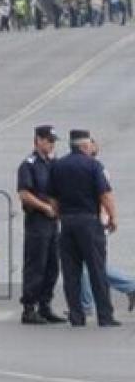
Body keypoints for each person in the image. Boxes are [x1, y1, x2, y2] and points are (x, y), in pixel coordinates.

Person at [48, 129, 121, 327]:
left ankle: (76, 316)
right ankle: (105, 316)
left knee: (71, 273)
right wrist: (113, 217)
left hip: (67, 223)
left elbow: (53, 199)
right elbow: (104, 194)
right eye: (89, 145)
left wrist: (61, 214)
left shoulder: (58, 166)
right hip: (89, 222)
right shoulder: (93, 166)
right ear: (84, 145)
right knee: (97, 270)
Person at [77, 137, 135, 313]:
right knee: (92, 263)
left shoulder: (96, 170)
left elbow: (105, 195)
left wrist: (111, 216)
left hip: (95, 222)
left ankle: (87, 305)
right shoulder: (92, 168)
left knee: (88, 264)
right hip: (93, 221)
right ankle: (130, 286)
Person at [16, 125, 66, 325]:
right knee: (36, 264)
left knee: (52, 265)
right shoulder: (29, 165)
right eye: (48, 140)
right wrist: (45, 207)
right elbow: (24, 194)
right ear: (38, 140)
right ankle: (29, 308)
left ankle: (45, 306)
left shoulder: (54, 163)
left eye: (53, 141)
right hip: (38, 220)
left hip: (54, 221)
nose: (52, 144)